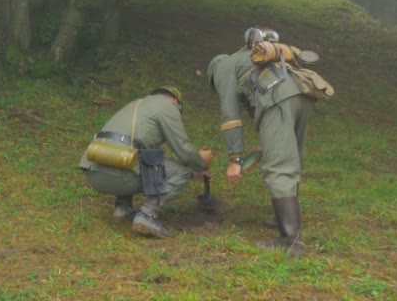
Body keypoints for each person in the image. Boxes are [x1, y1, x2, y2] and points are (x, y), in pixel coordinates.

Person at [206, 27, 316, 255]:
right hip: (302, 94)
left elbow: (230, 115)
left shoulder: (225, 65)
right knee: (291, 156)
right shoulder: (253, 58)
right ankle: (285, 221)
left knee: (278, 166)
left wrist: (235, 158)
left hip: (277, 98)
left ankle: (291, 240)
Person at [78, 86, 213, 238]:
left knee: (133, 155)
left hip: (94, 171)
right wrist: (200, 167)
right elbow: (184, 150)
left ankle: (123, 208)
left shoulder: (136, 105)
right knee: (183, 172)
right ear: (175, 100)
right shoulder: (168, 106)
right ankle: (147, 215)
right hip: (118, 176)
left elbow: (145, 153)